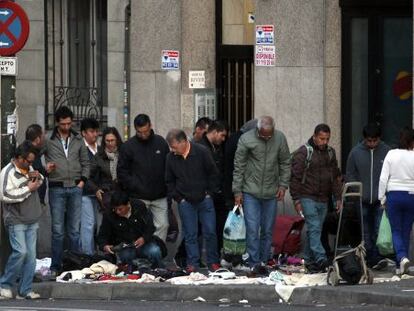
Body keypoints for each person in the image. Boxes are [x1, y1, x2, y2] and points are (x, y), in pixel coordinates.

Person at [232, 116, 291, 273]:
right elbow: (239, 166)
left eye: (269, 135)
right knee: (252, 228)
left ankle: (264, 260)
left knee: (267, 229)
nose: (267, 138)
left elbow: (285, 162)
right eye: (264, 135)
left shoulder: (279, 138)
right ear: (258, 130)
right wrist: (237, 191)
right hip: (250, 191)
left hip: (271, 191)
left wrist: (283, 185)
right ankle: (253, 261)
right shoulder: (246, 139)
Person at [165, 129, 221, 273]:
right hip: (185, 202)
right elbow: (169, 181)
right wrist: (179, 198)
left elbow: (213, 173)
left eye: (174, 146)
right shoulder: (171, 158)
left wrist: (210, 193)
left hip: (205, 200)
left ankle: (213, 262)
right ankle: (193, 264)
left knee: (210, 231)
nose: (172, 150)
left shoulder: (201, 152)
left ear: (183, 142)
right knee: (190, 234)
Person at [290, 123, 342, 273]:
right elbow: (295, 178)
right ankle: (321, 259)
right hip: (307, 196)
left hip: (323, 198)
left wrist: (338, 198)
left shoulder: (330, 153)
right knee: (314, 227)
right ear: (314, 137)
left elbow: (335, 178)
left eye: (327, 139)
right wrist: (297, 200)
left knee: (316, 230)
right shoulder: (304, 152)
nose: (324, 142)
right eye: (321, 139)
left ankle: (307, 258)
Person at [44, 106, 90, 275]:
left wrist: (82, 181)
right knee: (57, 230)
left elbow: (86, 162)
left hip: (75, 187)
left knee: (74, 230)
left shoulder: (78, 139)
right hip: (57, 187)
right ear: (57, 123)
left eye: (69, 123)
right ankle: (55, 266)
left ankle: (75, 265)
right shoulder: (48, 139)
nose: (66, 127)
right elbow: (35, 157)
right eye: (63, 124)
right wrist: (44, 168)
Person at [0, 142, 44, 299]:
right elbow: (5, 195)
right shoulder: (7, 172)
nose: (31, 164)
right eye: (29, 161)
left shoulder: (29, 168)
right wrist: (28, 189)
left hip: (32, 217)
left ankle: (25, 289)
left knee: (31, 257)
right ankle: (4, 284)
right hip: (16, 219)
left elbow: (40, 181)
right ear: (19, 158)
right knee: (21, 252)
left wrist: (38, 178)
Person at [118, 114, 170, 242]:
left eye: (145, 131)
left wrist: (168, 187)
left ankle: (156, 254)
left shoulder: (161, 142)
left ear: (150, 126)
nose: (143, 135)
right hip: (138, 196)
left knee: (163, 225)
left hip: (160, 195)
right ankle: (141, 257)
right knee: (139, 228)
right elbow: (122, 172)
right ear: (135, 129)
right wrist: (134, 185)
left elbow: (169, 166)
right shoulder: (128, 146)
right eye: (139, 132)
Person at [346, 123, 390, 269]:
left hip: (380, 199)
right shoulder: (355, 152)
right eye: (369, 141)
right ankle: (370, 257)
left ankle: (378, 257)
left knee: (378, 228)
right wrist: (354, 193)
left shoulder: (386, 151)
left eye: (375, 141)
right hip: (362, 199)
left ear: (379, 139)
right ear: (364, 139)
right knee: (365, 230)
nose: (372, 144)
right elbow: (350, 174)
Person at [97, 191, 166, 268]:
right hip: (124, 246)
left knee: (154, 251)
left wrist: (144, 238)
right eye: (115, 209)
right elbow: (102, 235)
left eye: (120, 209)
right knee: (126, 256)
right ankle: (132, 272)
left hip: (143, 243)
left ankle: (159, 270)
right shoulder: (109, 214)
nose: (117, 212)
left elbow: (150, 227)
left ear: (128, 204)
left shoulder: (139, 206)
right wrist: (104, 246)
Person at [378, 127, 414, 275]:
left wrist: (382, 198)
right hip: (412, 195)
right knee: (406, 230)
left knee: (396, 230)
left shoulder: (391, 154)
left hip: (394, 195)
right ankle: (401, 266)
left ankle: (401, 257)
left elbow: (382, 178)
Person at [197, 120, 228, 254]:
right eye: (222, 135)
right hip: (206, 194)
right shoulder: (200, 147)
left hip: (217, 193)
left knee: (216, 227)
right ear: (214, 132)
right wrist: (207, 192)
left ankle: (215, 256)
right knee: (200, 228)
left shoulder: (217, 147)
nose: (223, 139)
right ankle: (185, 256)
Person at [88, 127, 123, 214]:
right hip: (107, 196)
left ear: (117, 140)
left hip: (123, 195)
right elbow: (87, 175)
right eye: (107, 141)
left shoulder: (124, 153)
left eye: (112, 140)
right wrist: (96, 190)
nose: (110, 143)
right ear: (104, 141)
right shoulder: (99, 156)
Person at [80, 118, 100, 255]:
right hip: (86, 192)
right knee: (88, 224)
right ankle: (87, 255)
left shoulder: (100, 148)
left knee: (98, 225)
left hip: (101, 193)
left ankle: (97, 253)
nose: (95, 134)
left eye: (96, 131)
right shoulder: (81, 149)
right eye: (91, 131)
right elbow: (82, 173)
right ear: (83, 133)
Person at [25, 124, 55, 205]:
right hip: (33, 200)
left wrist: (46, 170)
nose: (45, 137)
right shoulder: (29, 153)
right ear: (38, 139)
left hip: (37, 199)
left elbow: (37, 171)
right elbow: (32, 174)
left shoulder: (34, 150)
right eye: (43, 135)